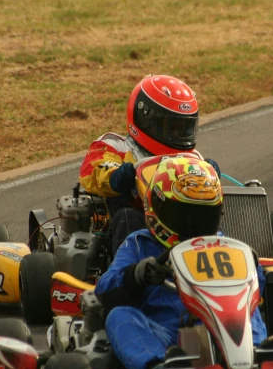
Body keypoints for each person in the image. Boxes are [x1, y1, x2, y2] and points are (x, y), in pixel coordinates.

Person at [94, 155, 273, 369]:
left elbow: (256, 289)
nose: (195, 224)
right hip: (165, 334)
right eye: (186, 215)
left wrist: (252, 272)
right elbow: (104, 289)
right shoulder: (139, 243)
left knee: (246, 306)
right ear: (158, 208)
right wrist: (137, 275)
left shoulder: (222, 244)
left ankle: (258, 356)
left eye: (205, 215)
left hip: (222, 324)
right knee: (119, 316)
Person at [78, 74, 220, 254]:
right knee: (127, 216)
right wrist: (117, 176)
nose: (177, 133)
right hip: (137, 221)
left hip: (182, 223)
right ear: (145, 118)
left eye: (183, 127)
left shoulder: (191, 158)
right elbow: (91, 172)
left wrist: (209, 174)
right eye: (170, 126)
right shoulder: (115, 146)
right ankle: (127, 273)